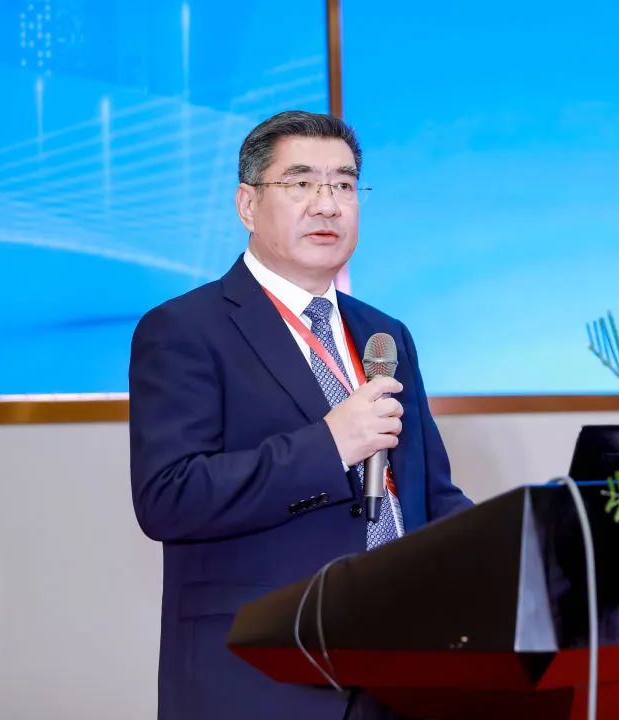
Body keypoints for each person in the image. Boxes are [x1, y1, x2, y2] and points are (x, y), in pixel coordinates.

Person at [128, 110, 473, 720]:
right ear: (247, 204)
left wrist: (524, 546)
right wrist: (330, 446)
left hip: (399, 671)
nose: (328, 204)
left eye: (344, 184)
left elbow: (429, 494)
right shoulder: (184, 329)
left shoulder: (385, 334)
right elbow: (169, 497)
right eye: (301, 183)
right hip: (262, 677)